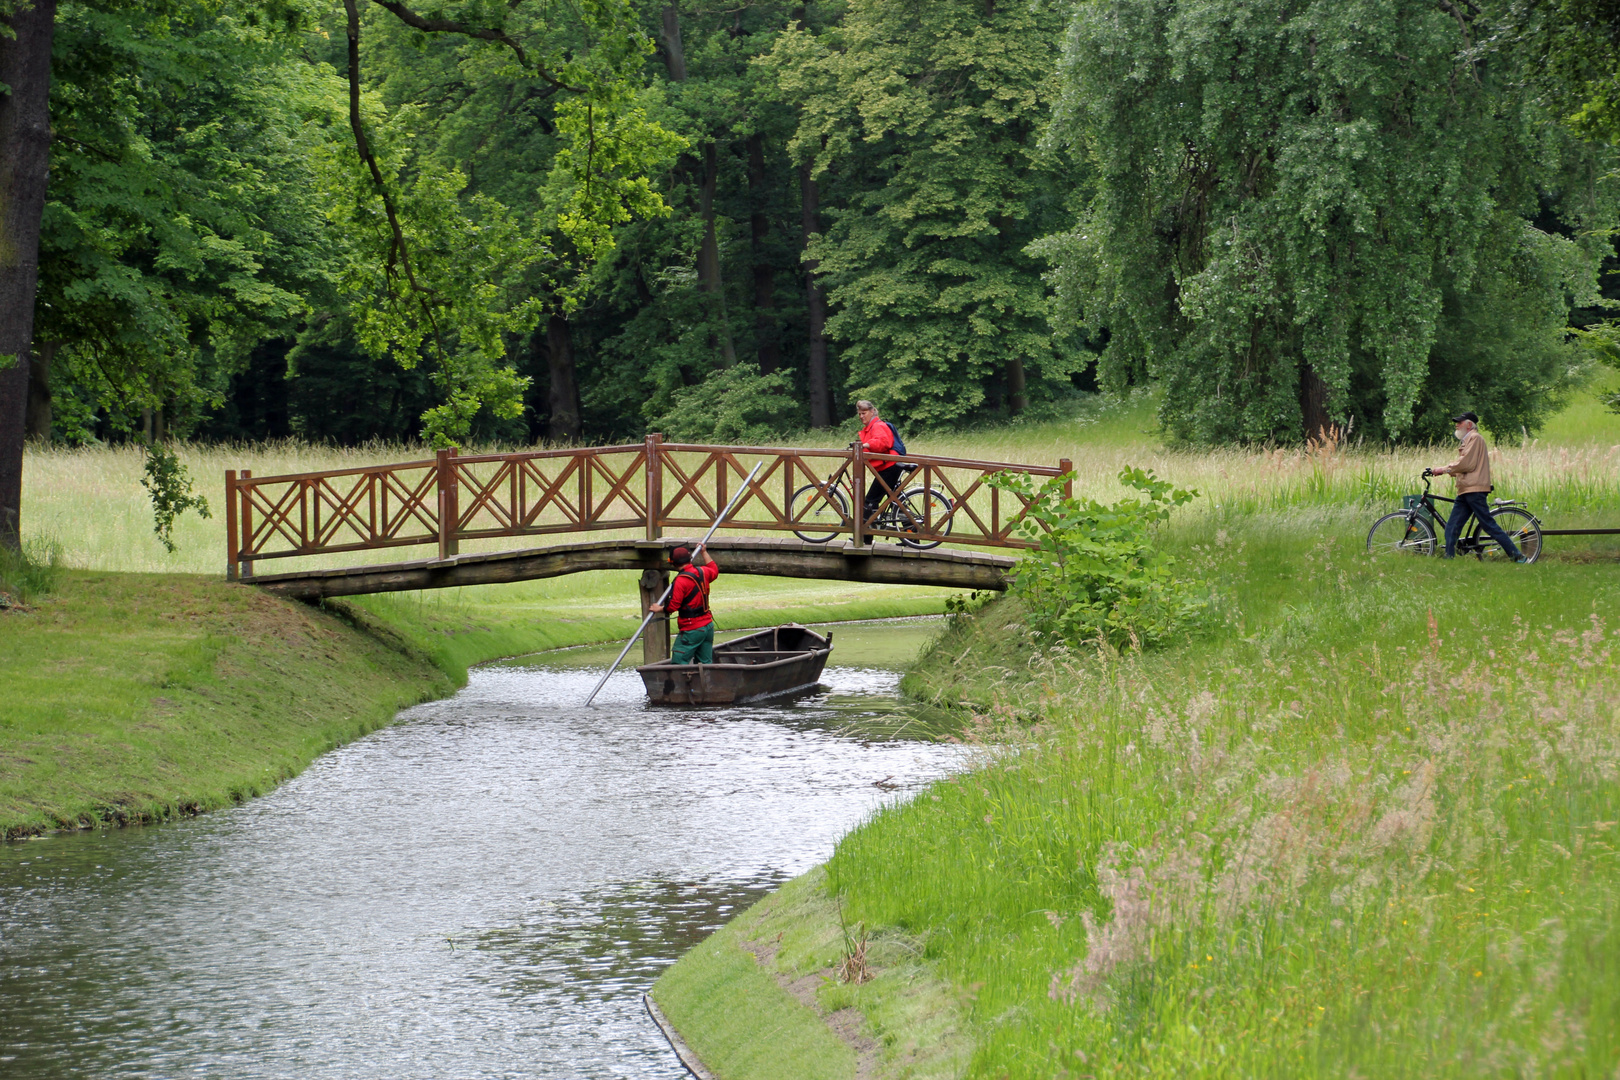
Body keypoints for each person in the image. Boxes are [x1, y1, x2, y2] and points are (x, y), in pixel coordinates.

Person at [1430, 411, 1526, 562]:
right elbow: (1465, 466)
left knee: (1488, 525)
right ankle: (1448, 560)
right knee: (1452, 526)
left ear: (1469, 425)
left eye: (1460, 422)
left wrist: (1443, 469)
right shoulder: (1468, 440)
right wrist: (1447, 470)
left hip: (1474, 489)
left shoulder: (1475, 439)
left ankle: (1517, 556)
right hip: (1466, 489)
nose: (1457, 425)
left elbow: (1466, 464)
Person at [649, 543, 721, 663]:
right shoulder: (703, 571)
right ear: (689, 558)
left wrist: (659, 609)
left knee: (678, 663)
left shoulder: (681, 581)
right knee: (705, 665)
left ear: (673, 563)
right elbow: (714, 570)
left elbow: (673, 606)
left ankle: (679, 683)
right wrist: (704, 552)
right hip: (708, 627)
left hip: (692, 629)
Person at [854, 399, 904, 535]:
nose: (861, 416)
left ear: (872, 412)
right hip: (889, 467)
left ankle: (866, 537)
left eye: (864, 413)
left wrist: (865, 445)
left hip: (890, 467)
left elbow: (882, 442)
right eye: (859, 414)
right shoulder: (871, 427)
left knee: (871, 501)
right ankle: (912, 537)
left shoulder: (878, 426)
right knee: (897, 502)